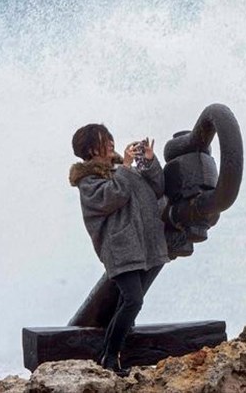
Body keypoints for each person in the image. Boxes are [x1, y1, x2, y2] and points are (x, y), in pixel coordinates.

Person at [69, 123, 169, 375]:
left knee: (131, 303)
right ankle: (110, 357)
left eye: (111, 139)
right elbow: (113, 197)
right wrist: (125, 168)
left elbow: (157, 188)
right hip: (121, 248)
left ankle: (116, 353)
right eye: (105, 140)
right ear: (91, 148)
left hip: (148, 244)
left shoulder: (121, 170)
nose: (112, 143)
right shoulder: (88, 181)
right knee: (133, 300)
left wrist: (148, 162)